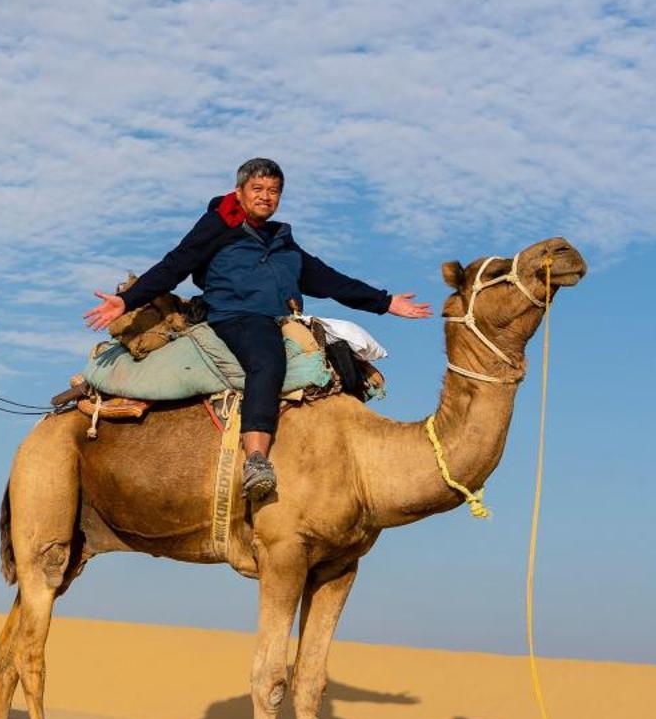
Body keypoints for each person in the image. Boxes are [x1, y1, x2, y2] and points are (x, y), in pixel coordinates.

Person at [83, 158, 434, 496]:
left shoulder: (282, 241)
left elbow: (328, 280)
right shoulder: (218, 227)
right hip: (236, 317)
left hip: (281, 319)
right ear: (239, 192)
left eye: (274, 190)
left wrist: (385, 302)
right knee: (267, 361)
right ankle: (256, 459)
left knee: (344, 360)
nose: (266, 196)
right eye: (258, 188)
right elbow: (175, 264)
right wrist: (127, 302)